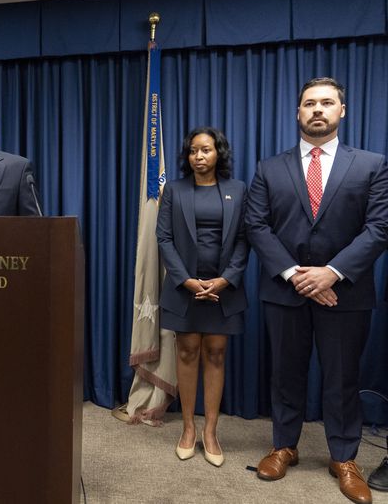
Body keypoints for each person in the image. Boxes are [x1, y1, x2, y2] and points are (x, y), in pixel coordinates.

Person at [246, 77, 388, 504]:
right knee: (285, 374)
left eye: (327, 103)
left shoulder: (372, 164)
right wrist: (296, 275)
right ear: (298, 113)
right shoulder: (268, 168)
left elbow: (379, 227)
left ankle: (343, 458)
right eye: (309, 103)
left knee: (342, 378)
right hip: (284, 292)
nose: (318, 110)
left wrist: (331, 273)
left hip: (345, 294)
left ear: (342, 110)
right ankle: (283, 446)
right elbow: (256, 225)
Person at [156, 127, 249, 468]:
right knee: (188, 349)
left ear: (218, 154)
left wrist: (227, 279)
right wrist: (186, 281)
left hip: (224, 289)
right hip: (186, 289)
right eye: (194, 151)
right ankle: (188, 429)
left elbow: (244, 239)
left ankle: (211, 431)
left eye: (206, 150)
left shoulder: (238, 190)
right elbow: (163, 237)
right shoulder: (175, 190)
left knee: (216, 352)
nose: (199, 156)